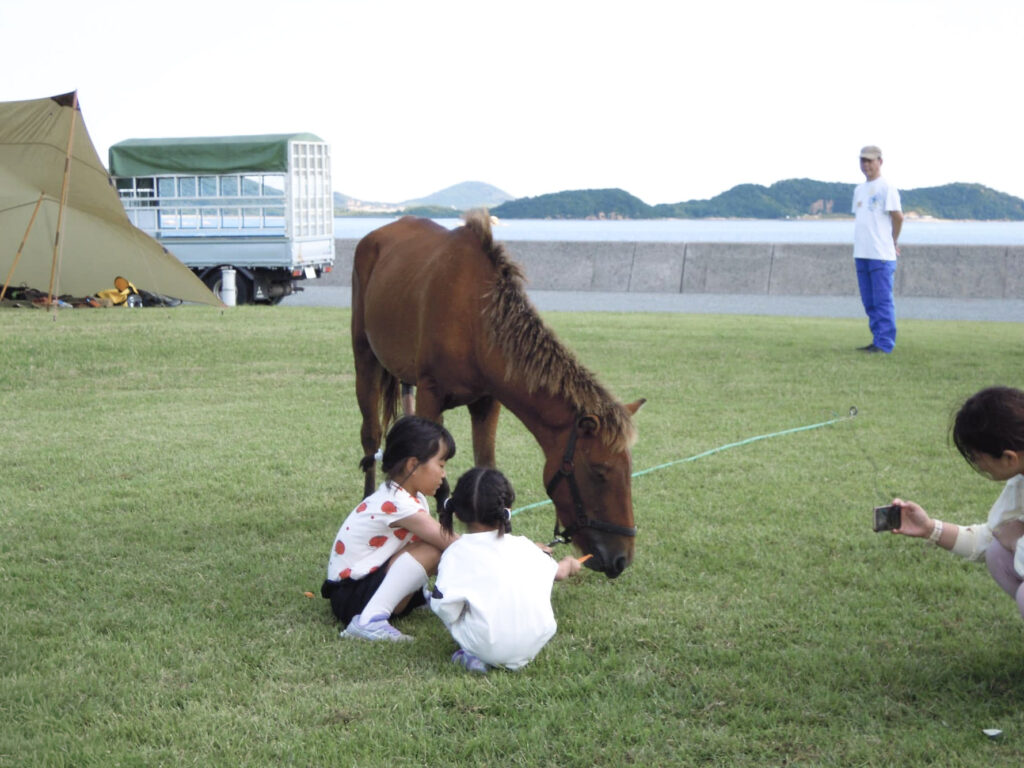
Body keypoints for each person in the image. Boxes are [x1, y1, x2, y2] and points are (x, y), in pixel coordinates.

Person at [889, 386, 1024, 620]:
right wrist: (930, 529)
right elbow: (992, 536)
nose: (977, 465)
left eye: (976, 457)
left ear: (1009, 457)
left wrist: (1017, 542)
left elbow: (1010, 538)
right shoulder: (1020, 477)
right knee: (997, 553)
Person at [430, 467, 582, 673]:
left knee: (451, 606)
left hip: (486, 644)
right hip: (535, 642)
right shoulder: (526, 546)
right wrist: (571, 564)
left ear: (456, 512)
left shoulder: (455, 553)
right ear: (507, 509)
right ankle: (506, 654)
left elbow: (444, 608)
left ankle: (473, 655)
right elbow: (560, 572)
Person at [321, 416, 457, 641]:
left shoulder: (409, 496)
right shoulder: (397, 502)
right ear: (413, 464)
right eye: (441, 465)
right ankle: (368, 621)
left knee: (432, 546)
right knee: (434, 549)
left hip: (360, 587)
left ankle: (415, 598)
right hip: (350, 595)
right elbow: (450, 542)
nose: (443, 474)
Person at [852, 145, 903, 354]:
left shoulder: (887, 187)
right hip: (862, 253)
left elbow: (897, 217)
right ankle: (877, 339)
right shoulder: (858, 190)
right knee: (870, 302)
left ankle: (885, 343)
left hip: (881, 254)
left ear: (880, 162)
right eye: (863, 161)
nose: (866, 165)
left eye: (870, 161)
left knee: (882, 301)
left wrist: (893, 240)